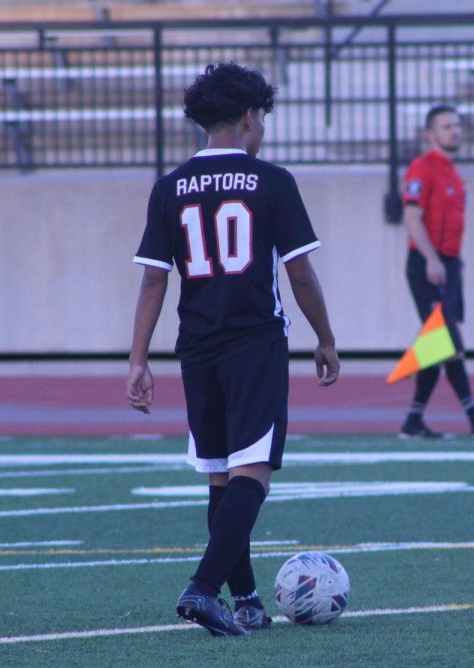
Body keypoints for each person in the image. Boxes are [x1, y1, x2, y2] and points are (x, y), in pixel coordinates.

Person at [126, 63, 340, 637]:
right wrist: (325, 336)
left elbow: (153, 280)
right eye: (262, 117)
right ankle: (202, 588)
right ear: (249, 117)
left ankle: (244, 599)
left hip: (195, 344)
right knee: (254, 471)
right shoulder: (272, 180)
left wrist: (138, 359)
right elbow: (299, 273)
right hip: (253, 341)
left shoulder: (168, 186)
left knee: (220, 473)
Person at [398, 104, 474, 441]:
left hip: (449, 266)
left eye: (457, 125)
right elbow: (413, 218)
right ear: (431, 134)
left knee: (437, 344)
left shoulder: (454, 174)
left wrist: (451, 266)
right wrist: (431, 260)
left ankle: (413, 421)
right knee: (448, 342)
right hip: (428, 264)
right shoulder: (422, 168)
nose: (454, 131)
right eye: (446, 126)